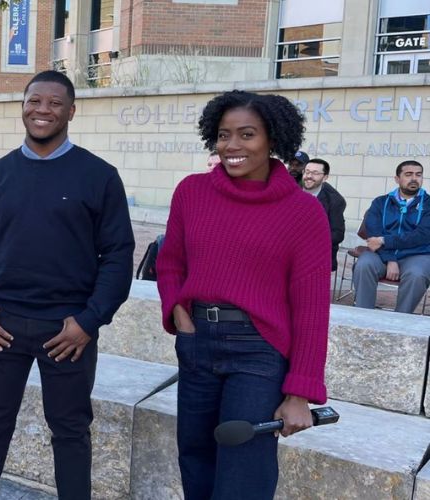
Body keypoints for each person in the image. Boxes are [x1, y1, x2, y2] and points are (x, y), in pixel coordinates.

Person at [0, 70, 135, 499]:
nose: (43, 110)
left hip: (68, 330)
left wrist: (90, 321)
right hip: (1, 326)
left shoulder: (99, 176)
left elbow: (117, 255)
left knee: (71, 430)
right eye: (35, 101)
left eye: (55, 103)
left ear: (71, 111)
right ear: (23, 106)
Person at [156, 90, 330, 500]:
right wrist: (178, 311)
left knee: (244, 470)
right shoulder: (192, 192)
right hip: (197, 341)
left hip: (259, 350)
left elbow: (312, 309)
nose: (232, 146)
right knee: (195, 458)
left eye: (247, 134)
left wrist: (300, 392)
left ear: (273, 139)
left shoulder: (304, 212)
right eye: (223, 135)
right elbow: (170, 263)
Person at [354, 160, 430, 313]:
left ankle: (400, 319)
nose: (414, 178)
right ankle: (363, 315)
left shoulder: (428, 204)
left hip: (416, 254)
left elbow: (422, 235)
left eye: (418, 175)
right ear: (397, 178)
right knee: (364, 264)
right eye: (408, 174)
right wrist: (390, 259)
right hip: (382, 254)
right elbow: (374, 235)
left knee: (417, 275)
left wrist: (384, 240)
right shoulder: (381, 202)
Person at [301, 158, 347, 271]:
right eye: (307, 172)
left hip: (316, 252)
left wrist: (309, 243)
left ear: (325, 177)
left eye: (315, 173)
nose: (309, 176)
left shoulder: (335, 200)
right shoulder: (291, 190)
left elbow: (337, 234)